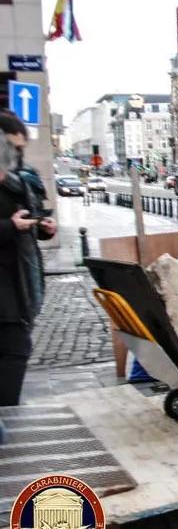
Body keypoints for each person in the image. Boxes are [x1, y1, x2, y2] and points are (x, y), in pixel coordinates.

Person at [0, 134, 57, 406]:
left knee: (15, 349)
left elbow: (25, 223)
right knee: (15, 350)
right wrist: (11, 227)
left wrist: (41, 227)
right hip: (6, 289)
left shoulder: (16, 184)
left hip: (15, 283)